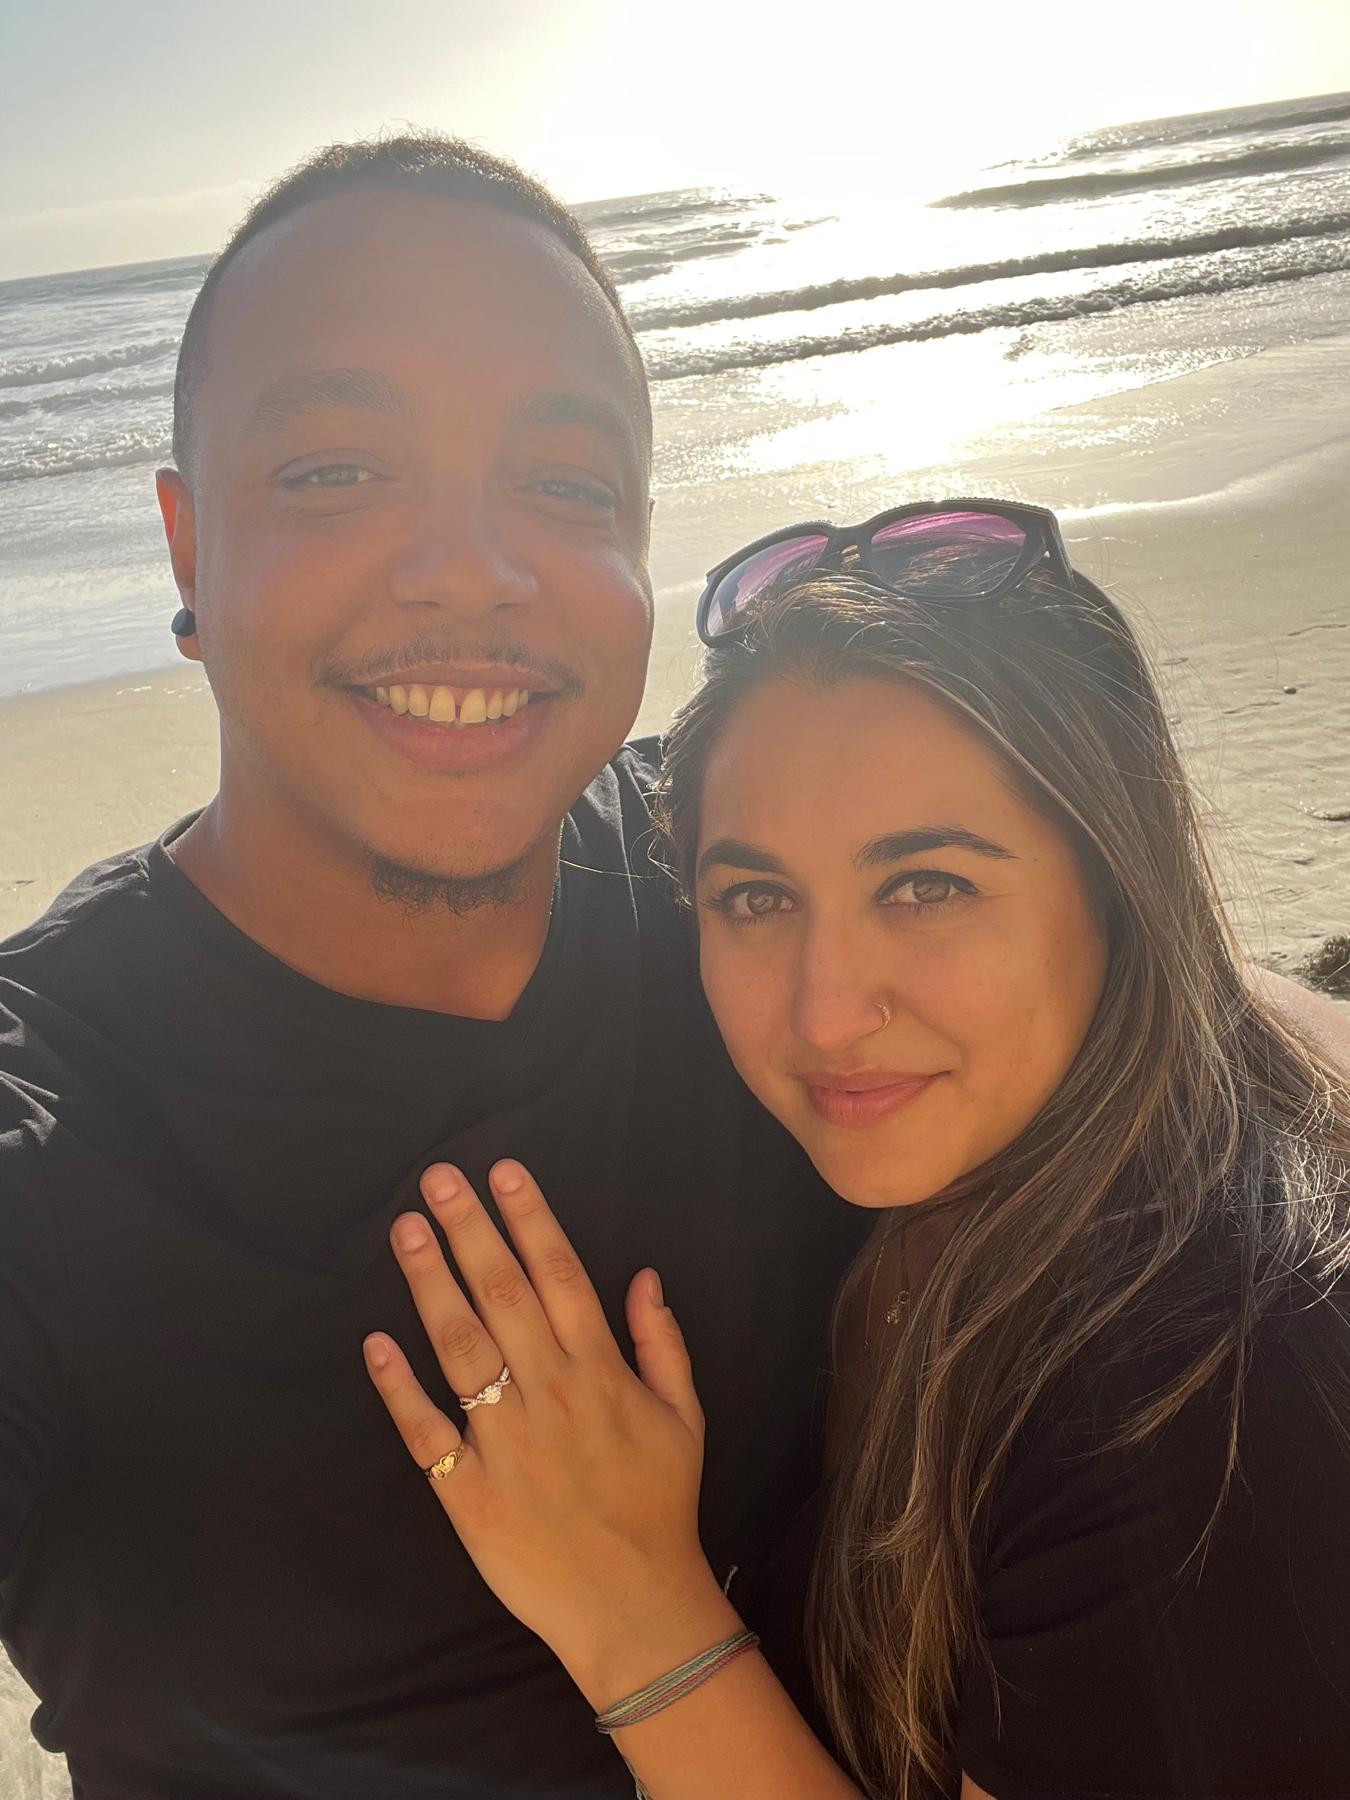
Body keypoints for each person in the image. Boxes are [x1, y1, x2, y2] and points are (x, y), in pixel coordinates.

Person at [0, 136, 866, 1799]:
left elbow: (1135, 1015)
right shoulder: (58, 1129)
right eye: (333, 471)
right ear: (187, 552)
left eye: (564, 488)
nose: (473, 572)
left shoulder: (752, 893)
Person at [363, 504, 1350, 1800]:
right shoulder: (960, 1165)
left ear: (1118, 883)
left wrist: (631, 1613)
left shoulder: (1200, 1401)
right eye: (757, 899)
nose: (825, 1015)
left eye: (925, 886)